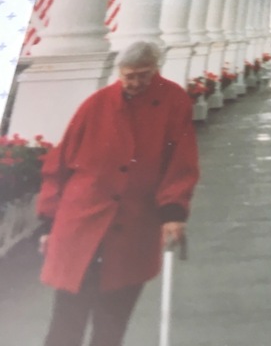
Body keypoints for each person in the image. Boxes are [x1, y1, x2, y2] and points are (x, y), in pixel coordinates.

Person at [37, 41, 200, 346]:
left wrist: (173, 211)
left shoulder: (174, 101)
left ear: (156, 69)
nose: (135, 82)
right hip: (81, 222)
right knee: (67, 319)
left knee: (112, 321)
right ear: (119, 72)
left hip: (133, 225)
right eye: (129, 76)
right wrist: (48, 221)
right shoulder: (97, 104)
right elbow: (59, 164)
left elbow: (181, 161)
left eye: (143, 75)